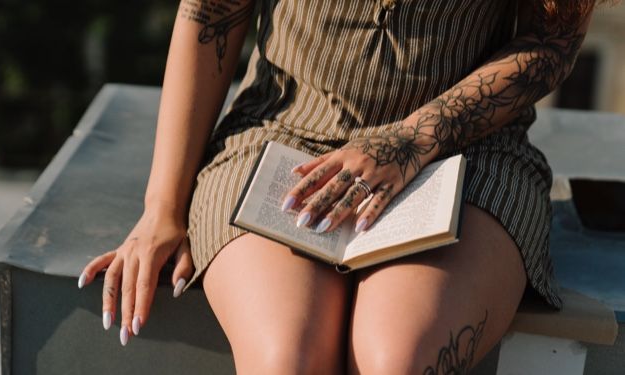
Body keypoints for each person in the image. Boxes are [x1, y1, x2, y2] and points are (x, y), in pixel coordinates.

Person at [78, 0, 610, 372]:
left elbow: (552, 39)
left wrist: (412, 138)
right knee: (287, 359)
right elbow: (213, 11)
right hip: (281, 137)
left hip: (465, 150)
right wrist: (162, 207)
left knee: (397, 359)